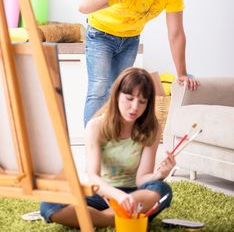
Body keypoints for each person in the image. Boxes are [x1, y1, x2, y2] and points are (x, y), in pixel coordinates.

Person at [40, 67, 176, 228]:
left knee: (163, 189)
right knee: (49, 203)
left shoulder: (151, 128)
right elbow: (93, 176)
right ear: (117, 95)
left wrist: (159, 174)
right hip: (102, 194)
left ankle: (97, 219)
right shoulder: (96, 126)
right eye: (129, 98)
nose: (134, 107)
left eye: (142, 102)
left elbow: (142, 179)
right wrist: (117, 196)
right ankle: (114, 219)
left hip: (135, 195)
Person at [79, 0, 199, 126]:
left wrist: (181, 74)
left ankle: (112, 141)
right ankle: (92, 143)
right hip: (101, 35)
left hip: (129, 40)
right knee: (99, 89)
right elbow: (83, 7)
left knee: (119, 91)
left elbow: (176, 33)